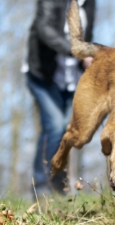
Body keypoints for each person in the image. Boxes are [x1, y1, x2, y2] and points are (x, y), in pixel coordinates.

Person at [24, 0, 96, 196]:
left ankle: (59, 186)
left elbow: (88, 36)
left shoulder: (89, 4)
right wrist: (77, 50)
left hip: (71, 79)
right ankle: (40, 188)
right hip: (43, 76)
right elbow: (44, 29)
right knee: (54, 126)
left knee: (68, 130)